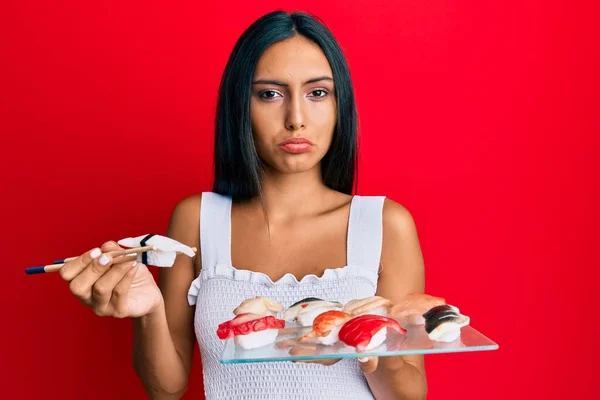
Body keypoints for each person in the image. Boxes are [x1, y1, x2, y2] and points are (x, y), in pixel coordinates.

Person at [59, 10, 428, 400]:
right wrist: (149, 311)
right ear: (241, 106)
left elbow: (408, 393)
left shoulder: (385, 223)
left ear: (341, 105)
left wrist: (368, 345)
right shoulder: (196, 219)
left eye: (317, 93)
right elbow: (166, 389)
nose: (296, 119)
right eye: (270, 94)